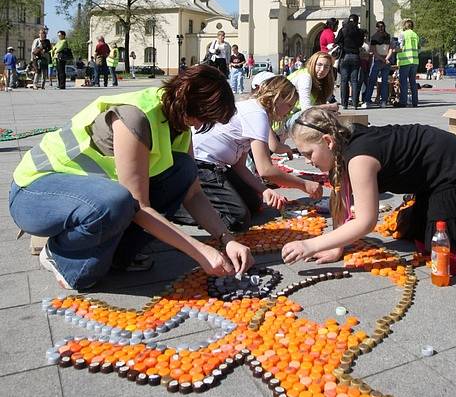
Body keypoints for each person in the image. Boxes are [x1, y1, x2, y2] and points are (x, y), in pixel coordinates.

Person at [9, 65, 254, 291]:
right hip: (36, 190)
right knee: (87, 267)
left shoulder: (179, 122)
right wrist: (201, 252)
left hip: (91, 198)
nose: (201, 125)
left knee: (184, 169)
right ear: (186, 100)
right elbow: (139, 206)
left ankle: (113, 250)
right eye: (202, 117)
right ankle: (58, 251)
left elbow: (193, 192)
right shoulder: (136, 117)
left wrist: (226, 239)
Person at [281, 109, 456, 274]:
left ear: (328, 141)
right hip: (437, 175)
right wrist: (336, 245)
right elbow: (344, 201)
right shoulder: (342, 148)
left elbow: (365, 221)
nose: (307, 160)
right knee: (418, 237)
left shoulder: (359, 159)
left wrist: (311, 244)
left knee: (448, 261)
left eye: (308, 153)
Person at [192, 76, 323, 232]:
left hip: (218, 166)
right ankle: (184, 207)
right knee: (237, 219)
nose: (288, 112)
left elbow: (239, 166)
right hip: (201, 165)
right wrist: (305, 185)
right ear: (277, 98)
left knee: (254, 203)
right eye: (289, 105)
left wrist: (264, 190)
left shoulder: (257, 111)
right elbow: (266, 170)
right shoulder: (257, 114)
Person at [286, 51, 338, 128]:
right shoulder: (305, 77)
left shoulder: (320, 80)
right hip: (282, 120)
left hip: (292, 116)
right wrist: (329, 107)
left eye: (326, 67)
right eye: (319, 65)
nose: (322, 69)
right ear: (312, 64)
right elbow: (306, 109)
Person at [334, 14, 364, 109]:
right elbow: (360, 43)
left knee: (344, 81)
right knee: (354, 81)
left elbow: (337, 41)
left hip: (345, 56)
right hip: (355, 56)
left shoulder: (343, 30)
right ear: (356, 21)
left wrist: (342, 45)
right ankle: (355, 103)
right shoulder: (359, 31)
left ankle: (344, 103)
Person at [362, 21, 393, 108]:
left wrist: (382, 59)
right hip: (386, 61)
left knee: (372, 81)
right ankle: (383, 101)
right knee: (384, 82)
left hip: (378, 60)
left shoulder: (374, 37)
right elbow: (391, 49)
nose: (381, 28)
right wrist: (386, 59)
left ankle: (367, 101)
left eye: (381, 27)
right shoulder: (388, 36)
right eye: (380, 27)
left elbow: (374, 51)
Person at [397, 19, 419, 108]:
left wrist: (394, 50)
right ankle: (415, 101)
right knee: (413, 82)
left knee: (404, 82)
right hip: (415, 61)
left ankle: (403, 101)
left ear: (404, 26)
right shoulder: (415, 35)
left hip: (405, 60)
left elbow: (401, 46)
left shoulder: (403, 34)